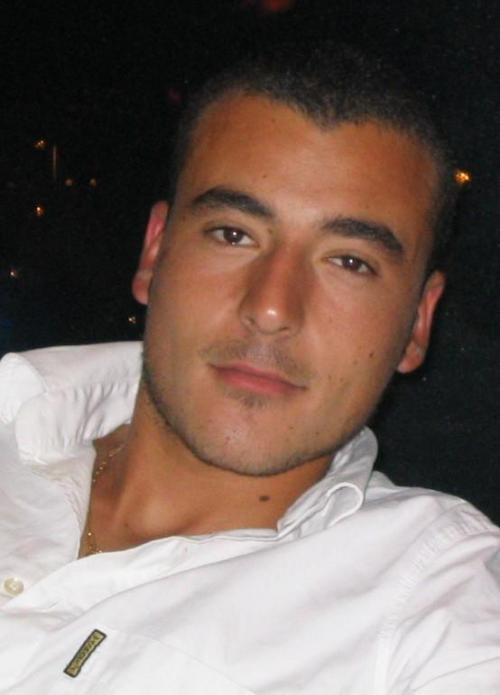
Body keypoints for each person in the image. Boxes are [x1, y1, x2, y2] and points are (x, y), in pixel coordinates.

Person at [0, 42, 499, 693]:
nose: (271, 307)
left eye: (349, 261)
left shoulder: (441, 605)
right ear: (155, 251)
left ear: (418, 322)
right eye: (233, 233)